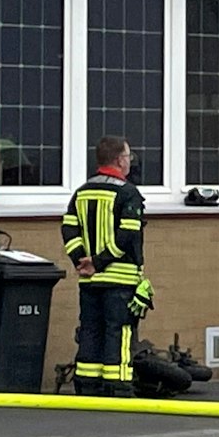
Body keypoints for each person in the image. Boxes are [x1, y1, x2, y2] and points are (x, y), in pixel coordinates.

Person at [60, 136, 151, 397]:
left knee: (90, 329)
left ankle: (87, 385)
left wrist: (81, 260)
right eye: (128, 156)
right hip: (120, 279)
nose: (130, 161)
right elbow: (128, 234)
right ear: (120, 160)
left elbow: (68, 229)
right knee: (120, 330)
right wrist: (99, 262)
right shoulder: (128, 193)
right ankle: (118, 385)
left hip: (89, 281)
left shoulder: (82, 192)